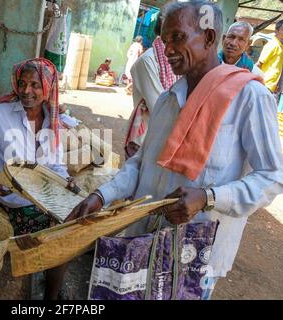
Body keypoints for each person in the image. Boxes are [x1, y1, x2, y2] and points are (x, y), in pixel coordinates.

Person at [67, 0, 283, 300]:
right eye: (165, 40)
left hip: (195, 257)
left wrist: (208, 198)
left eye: (178, 38)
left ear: (208, 37)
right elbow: (143, 163)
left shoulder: (249, 98)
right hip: (145, 243)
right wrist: (102, 195)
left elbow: (272, 177)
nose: (167, 49)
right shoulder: (170, 98)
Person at [0, 58, 72, 300]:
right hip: (10, 201)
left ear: (48, 88)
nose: (26, 91)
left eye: (35, 85)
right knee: (61, 235)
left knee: (76, 221)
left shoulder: (53, 122)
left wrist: (68, 184)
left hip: (41, 199)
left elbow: (56, 165)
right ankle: (51, 295)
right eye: (22, 83)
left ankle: (50, 290)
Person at [124, 13, 179, 159]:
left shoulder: (173, 60)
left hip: (160, 140)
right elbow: (159, 107)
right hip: (143, 140)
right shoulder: (148, 61)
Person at [257, 20, 283, 98]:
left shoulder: (280, 46)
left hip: (272, 87)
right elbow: (259, 64)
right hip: (265, 85)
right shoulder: (273, 45)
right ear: (276, 31)